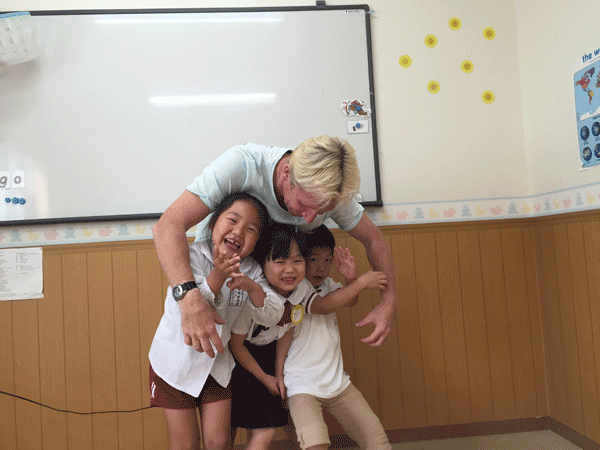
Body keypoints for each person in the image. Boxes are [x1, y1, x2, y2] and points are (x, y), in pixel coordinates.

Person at [152, 135, 397, 359]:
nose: (310, 219)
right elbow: (168, 225)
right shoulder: (242, 165)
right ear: (286, 173)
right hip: (216, 293)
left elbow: (374, 239)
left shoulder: (331, 193)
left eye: (322, 211)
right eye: (304, 205)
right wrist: (190, 299)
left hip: (274, 313)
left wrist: (388, 299)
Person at [148, 192, 284, 450]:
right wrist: (218, 276)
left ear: (256, 241)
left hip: (217, 365)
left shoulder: (253, 269)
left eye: (251, 229)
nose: (238, 231)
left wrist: (253, 288)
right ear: (212, 224)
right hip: (175, 363)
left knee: (219, 442)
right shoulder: (192, 256)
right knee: (186, 444)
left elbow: (273, 313)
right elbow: (195, 304)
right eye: (232, 220)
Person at [276, 224, 391, 450]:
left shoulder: (328, 285)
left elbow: (349, 300)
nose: (321, 267)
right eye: (314, 259)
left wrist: (351, 279)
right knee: (316, 444)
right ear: (300, 260)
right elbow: (323, 306)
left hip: (338, 383)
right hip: (301, 386)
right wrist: (361, 282)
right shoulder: (296, 288)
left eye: (328, 260)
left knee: (377, 441)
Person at [229, 224, 314, 450]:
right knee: (246, 431)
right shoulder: (254, 296)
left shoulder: (302, 289)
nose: (290, 270)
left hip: (270, 354)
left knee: (268, 428)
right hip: (240, 360)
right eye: (280, 262)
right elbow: (236, 345)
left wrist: (278, 373)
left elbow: (287, 329)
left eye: (298, 261)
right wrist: (265, 378)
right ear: (262, 264)